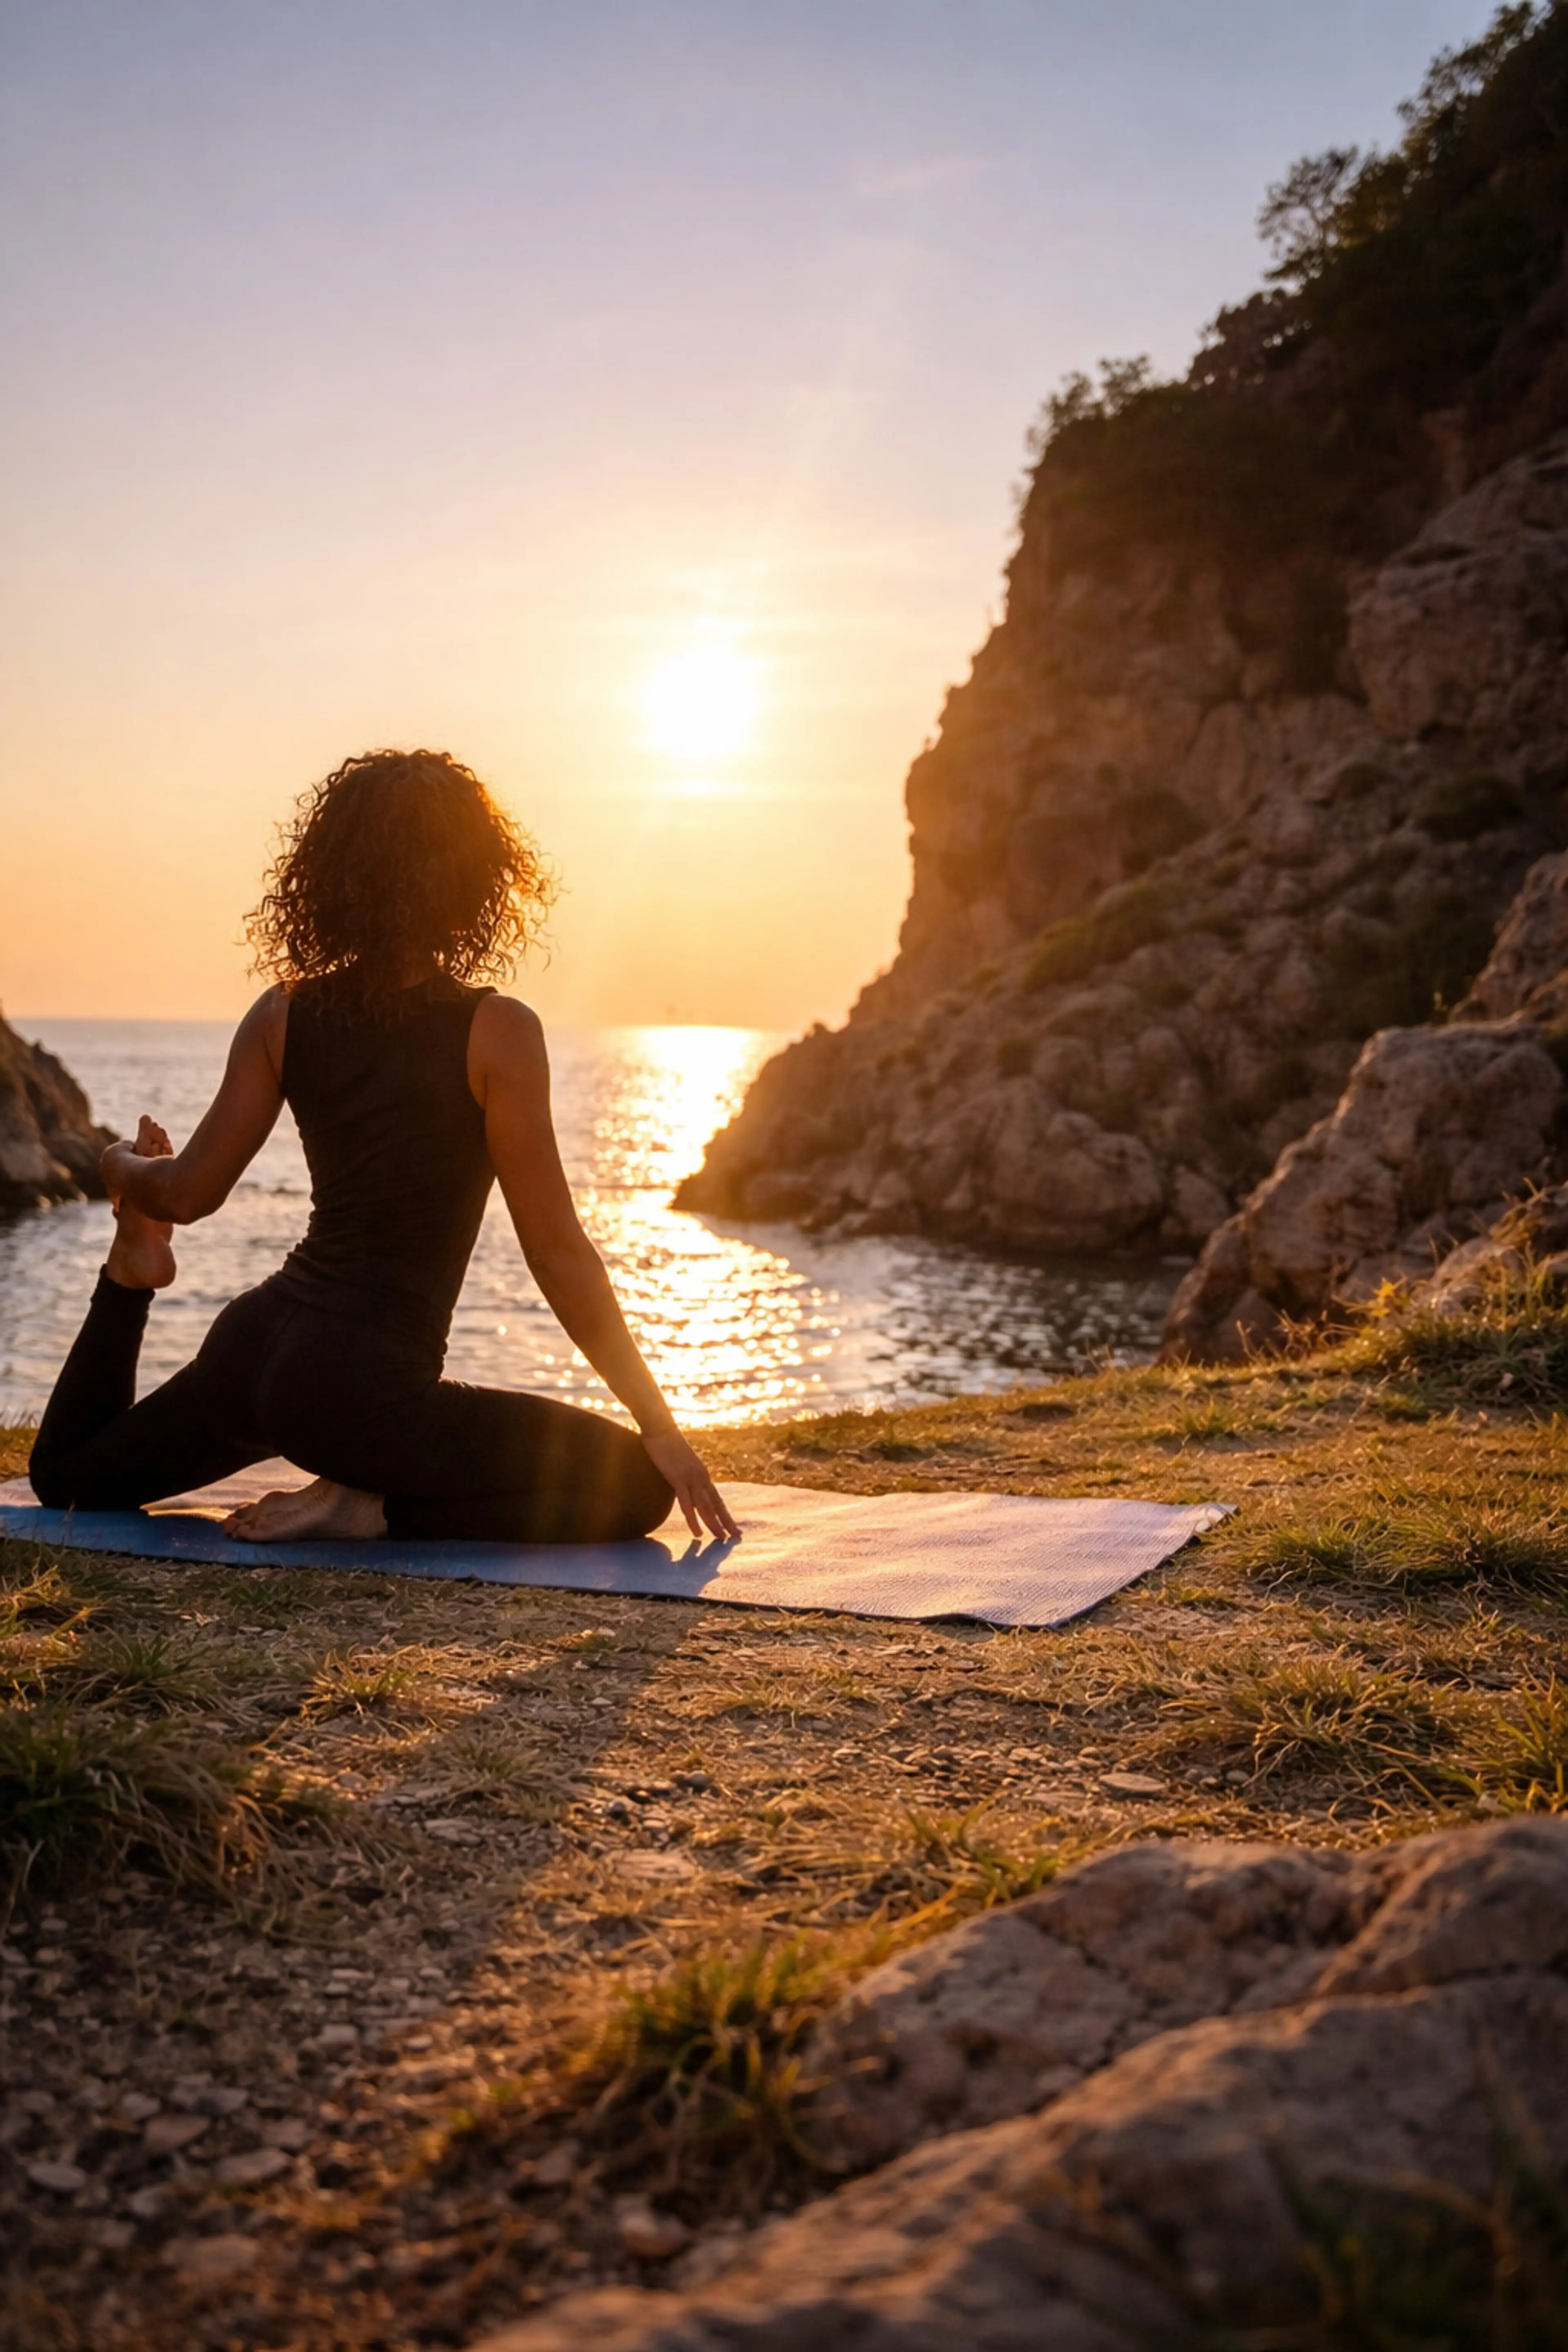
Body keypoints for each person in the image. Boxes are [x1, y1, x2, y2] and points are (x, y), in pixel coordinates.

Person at [29, 748, 739, 1550]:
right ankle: (366, 1509)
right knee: (635, 1487)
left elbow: (188, 1193)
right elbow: (555, 1250)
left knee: (68, 1478)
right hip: (359, 1392)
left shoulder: (283, 1014)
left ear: (332, 878)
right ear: (475, 883)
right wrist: (660, 1424)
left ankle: (128, 1276)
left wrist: (119, 1167)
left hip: (253, 1346)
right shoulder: (498, 1031)